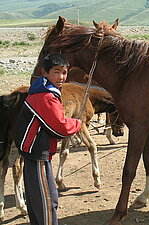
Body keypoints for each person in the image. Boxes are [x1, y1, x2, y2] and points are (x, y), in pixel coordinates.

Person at [14, 54, 81, 225]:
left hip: (34, 154)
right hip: (38, 155)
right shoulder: (46, 97)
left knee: (38, 201)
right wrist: (77, 123)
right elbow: (60, 127)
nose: (61, 77)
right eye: (56, 72)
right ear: (45, 72)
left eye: (64, 72)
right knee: (47, 201)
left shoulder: (41, 90)